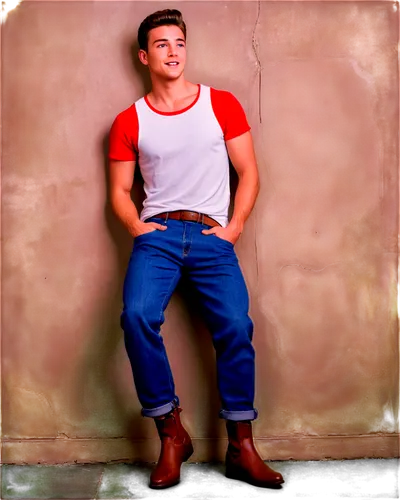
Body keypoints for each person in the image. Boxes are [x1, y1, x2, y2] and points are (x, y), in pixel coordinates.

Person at [108, 9, 284, 488]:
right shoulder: (130, 119)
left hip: (212, 236)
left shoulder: (220, 103)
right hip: (158, 238)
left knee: (235, 325)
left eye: (180, 42)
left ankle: (241, 445)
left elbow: (249, 173)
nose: (173, 51)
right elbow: (120, 192)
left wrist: (234, 228)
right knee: (137, 316)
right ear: (145, 56)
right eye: (162, 44)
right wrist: (139, 228)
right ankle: (172, 434)